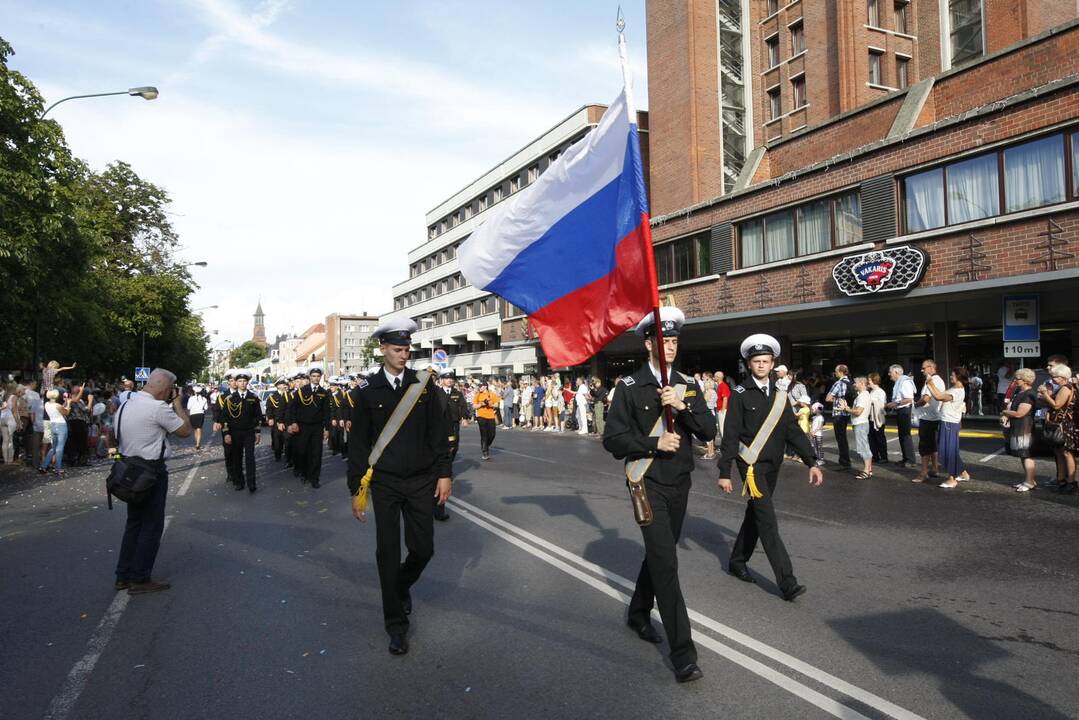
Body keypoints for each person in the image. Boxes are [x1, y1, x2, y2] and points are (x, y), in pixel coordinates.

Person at [602, 306, 714, 684]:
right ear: (648, 342)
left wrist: (682, 406)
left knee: (659, 553)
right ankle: (683, 653)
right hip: (646, 483)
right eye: (663, 340)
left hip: (680, 483)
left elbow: (709, 431)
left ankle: (637, 612)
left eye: (674, 340)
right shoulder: (630, 387)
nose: (669, 346)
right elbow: (613, 439)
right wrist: (654, 442)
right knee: (666, 563)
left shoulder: (687, 384)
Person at [347, 318, 451, 656]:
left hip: (421, 479)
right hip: (386, 483)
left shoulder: (423, 386)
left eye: (407, 349)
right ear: (382, 351)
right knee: (388, 554)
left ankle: (401, 586)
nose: (404, 355)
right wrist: (356, 489)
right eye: (397, 349)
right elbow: (359, 444)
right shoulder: (366, 391)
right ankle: (395, 625)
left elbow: (438, 433)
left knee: (424, 549)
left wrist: (445, 474)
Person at [718, 333, 824, 602]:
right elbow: (730, 435)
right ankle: (787, 582)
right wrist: (724, 472)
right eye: (757, 361)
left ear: (773, 364)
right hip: (750, 466)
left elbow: (792, 430)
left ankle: (737, 560)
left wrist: (811, 461)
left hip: (773, 465)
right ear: (749, 364)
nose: (762, 365)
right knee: (767, 519)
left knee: (755, 514)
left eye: (766, 361)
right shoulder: (740, 393)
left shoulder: (779, 394)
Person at [113, 368, 192, 594]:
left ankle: (123, 575)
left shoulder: (126, 403)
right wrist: (177, 404)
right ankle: (139, 578)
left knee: (134, 523)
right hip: (151, 472)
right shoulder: (158, 408)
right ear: (166, 389)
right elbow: (185, 431)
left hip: (128, 469)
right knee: (151, 525)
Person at [922, 366, 971, 489]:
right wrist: (931, 384)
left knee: (947, 452)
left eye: (953, 375)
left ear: (959, 377)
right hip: (947, 422)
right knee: (949, 450)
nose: (950, 377)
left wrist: (930, 383)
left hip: (949, 423)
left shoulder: (957, 391)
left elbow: (938, 397)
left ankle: (952, 479)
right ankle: (963, 473)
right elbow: (939, 394)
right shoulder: (954, 388)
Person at [286, 368, 331, 487]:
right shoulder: (301, 391)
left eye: (318, 376)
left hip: (317, 427)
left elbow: (327, 412)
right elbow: (292, 408)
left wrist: (327, 429)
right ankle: (304, 473)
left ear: (320, 377)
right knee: (303, 451)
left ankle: (314, 478)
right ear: (310, 377)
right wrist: (293, 422)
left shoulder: (324, 393)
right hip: (303, 426)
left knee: (316, 453)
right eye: (314, 376)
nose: (316, 378)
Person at [435, 369, 469, 521]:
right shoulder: (436, 393)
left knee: (453, 447)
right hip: (436, 428)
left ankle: (447, 466)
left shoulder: (456, 393)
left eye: (451, 378)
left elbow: (463, 406)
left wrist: (465, 417)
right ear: (441, 380)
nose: (449, 380)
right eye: (446, 378)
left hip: (452, 424)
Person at [223, 371, 264, 492]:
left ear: (247, 382)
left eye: (244, 381)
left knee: (250, 457)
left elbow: (257, 416)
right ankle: (239, 482)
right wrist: (226, 433)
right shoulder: (230, 399)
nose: (242, 383)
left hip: (249, 432)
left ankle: (251, 483)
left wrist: (257, 432)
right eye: (240, 381)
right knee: (237, 457)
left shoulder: (253, 397)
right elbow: (224, 417)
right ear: (235, 382)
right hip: (235, 432)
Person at [1038, 364, 1075, 493]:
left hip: (1063, 424)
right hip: (1060, 423)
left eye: (1055, 376)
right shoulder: (1062, 387)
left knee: (1066, 453)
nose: (1052, 379)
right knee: (1059, 452)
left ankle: (1069, 482)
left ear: (1063, 377)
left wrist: (1044, 394)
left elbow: (1057, 405)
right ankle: (1062, 480)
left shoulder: (1065, 388)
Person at [1002, 368, 1038, 492]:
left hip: (1025, 427)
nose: (1015, 381)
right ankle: (1030, 480)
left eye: (1017, 378)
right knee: (1023, 455)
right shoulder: (1020, 392)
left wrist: (1005, 412)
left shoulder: (1028, 395)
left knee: (1026, 455)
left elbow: (1020, 413)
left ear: (1025, 380)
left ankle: (1029, 482)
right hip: (1019, 427)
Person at [914, 359, 945, 483]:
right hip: (935, 416)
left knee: (924, 446)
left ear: (932, 368)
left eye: (924, 368)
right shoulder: (940, 380)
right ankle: (935, 468)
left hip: (927, 417)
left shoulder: (931, 380)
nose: (922, 370)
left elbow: (926, 398)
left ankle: (923, 473)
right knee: (932, 445)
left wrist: (916, 404)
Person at [886, 364, 917, 468]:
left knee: (905, 436)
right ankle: (905, 458)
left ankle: (911, 460)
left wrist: (895, 403)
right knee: (902, 435)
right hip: (901, 410)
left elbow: (909, 398)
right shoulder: (899, 383)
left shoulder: (905, 382)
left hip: (905, 410)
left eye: (890, 372)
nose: (889, 374)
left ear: (896, 372)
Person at [212, 371, 238, 486]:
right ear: (228, 382)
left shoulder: (244, 394)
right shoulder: (222, 397)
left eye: (235, 380)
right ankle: (230, 472)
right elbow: (217, 410)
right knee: (228, 451)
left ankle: (237, 471)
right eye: (232, 381)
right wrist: (216, 421)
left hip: (241, 427)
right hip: (227, 427)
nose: (234, 383)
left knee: (238, 451)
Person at [825, 364, 853, 468]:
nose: (835, 373)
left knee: (840, 438)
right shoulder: (850, 382)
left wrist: (836, 400)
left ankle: (844, 461)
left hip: (838, 413)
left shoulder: (838, 383)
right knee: (843, 438)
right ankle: (846, 460)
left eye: (836, 371)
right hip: (846, 412)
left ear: (841, 372)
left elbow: (828, 398)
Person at [39, 389, 71, 475]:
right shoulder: (57, 405)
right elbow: (66, 412)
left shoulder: (46, 404)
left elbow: (60, 409)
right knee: (60, 448)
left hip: (53, 425)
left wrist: (65, 403)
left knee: (54, 448)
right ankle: (58, 468)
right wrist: (69, 403)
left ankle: (43, 466)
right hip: (61, 425)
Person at [849, 377, 874, 480]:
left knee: (863, 447)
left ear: (862, 383)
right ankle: (869, 469)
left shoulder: (863, 396)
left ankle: (866, 471)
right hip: (860, 423)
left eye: (855, 383)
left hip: (861, 424)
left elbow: (858, 411)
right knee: (864, 446)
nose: (854, 384)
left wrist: (846, 409)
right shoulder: (862, 395)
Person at [473, 380, 499, 460]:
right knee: (484, 434)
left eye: (480, 386)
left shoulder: (492, 394)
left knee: (492, 434)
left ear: (485, 386)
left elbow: (497, 405)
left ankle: (486, 445)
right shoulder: (477, 395)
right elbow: (474, 406)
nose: (479, 388)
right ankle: (485, 452)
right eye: (478, 386)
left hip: (491, 416)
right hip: (481, 416)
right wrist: (481, 404)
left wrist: (491, 405)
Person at [866, 373, 889, 464]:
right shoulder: (871, 391)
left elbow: (883, 405)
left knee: (880, 437)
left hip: (878, 418)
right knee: (871, 437)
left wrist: (872, 402)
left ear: (874, 381)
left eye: (870, 380)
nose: (868, 382)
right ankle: (875, 456)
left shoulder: (880, 392)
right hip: (871, 417)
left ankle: (884, 457)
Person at [264, 378, 289, 461]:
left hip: (287, 421)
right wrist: (270, 418)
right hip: (276, 421)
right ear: (278, 386)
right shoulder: (272, 397)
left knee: (287, 439)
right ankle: (277, 455)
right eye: (282, 384)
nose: (285, 386)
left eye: (285, 384)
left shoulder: (289, 395)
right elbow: (269, 409)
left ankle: (288, 457)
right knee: (277, 440)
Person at [186, 386, 209, 450]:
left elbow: (188, 407)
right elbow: (206, 408)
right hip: (200, 414)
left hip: (193, 414)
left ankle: (197, 443)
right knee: (199, 428)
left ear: (194, 392)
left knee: (195, 429)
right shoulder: (204, 399)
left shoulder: (191, 398)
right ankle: (198, 443)